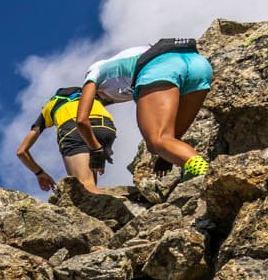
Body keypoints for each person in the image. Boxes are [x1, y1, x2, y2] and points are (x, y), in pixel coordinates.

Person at [74, 38, 215, 179]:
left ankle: (209, 174)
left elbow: (81, 120)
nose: (108, 102)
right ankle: (209, 172)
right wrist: (167, 155)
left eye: (103, 100)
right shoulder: (123, 65)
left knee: (157, 141)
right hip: (198, 64)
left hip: (160, 67)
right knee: (168, 140)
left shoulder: (94, 72)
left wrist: (96, 150)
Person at [16, 87, 119, 193]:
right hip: (105, 128)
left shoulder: (50, 105)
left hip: (73, 130)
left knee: (84, 186)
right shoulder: (90, 95)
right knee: (90, 182)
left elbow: (21, 151)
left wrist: (39, 173)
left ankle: (108, 208)